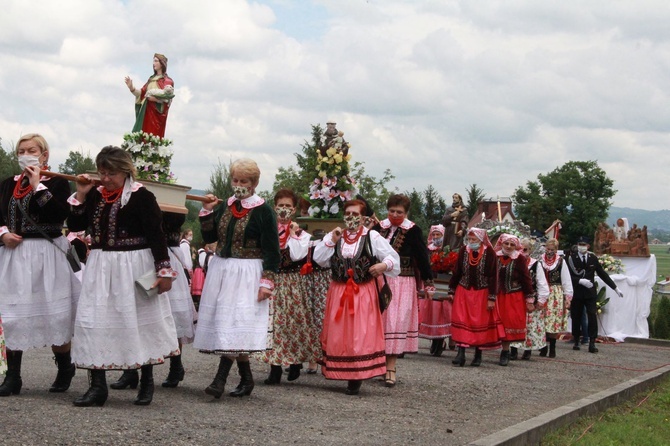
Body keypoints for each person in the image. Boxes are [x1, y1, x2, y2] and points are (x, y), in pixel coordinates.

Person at [68, 146, 179, 407]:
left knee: (138, 321)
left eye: (111, 173)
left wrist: (164, 271)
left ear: (125, 170)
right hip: (100, 264)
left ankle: (146, 381)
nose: (105, 178)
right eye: (102, 172)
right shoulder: (96, 195)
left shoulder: (142, 197)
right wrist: (81, 195)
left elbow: (156, 235)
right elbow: (75, 226)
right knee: (93, 319)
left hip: (134, 264)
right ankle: (97, 387)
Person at [0, 133, 80, 397]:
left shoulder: (58, 184)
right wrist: (3, 234)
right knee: (11, 315)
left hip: (48, 254)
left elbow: (59, 214)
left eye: (31, 150)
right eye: (21, 150)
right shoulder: (6, 184)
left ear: (44, 154)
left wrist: (37, 186)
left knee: (54, 314)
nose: (25, 154)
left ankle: (65, 366)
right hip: (15, 254)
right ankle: (13, 377)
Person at [193, 158, 280, 399]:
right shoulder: (225, 206)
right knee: (229, 325)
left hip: (248, 272)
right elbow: (210, 236)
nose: (239, 184)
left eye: (244, 181)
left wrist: (267, 282)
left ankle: (219, 381)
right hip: (222, 269)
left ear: (254, 184)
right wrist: (207, 212)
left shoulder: (263, 211)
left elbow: (273, 250)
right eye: (235, 180)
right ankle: (247, 379)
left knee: (235, 322)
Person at [313, 199, 400, 395]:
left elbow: (392, 257)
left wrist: (382, 266)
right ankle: (340, 370)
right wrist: (331, 240)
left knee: (359, 333)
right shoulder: (338, 236)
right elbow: (319, 259)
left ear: (363, 218)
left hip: (362, 292)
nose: (351, 218)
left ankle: (357, 376)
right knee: (339, 333)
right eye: (348, 214)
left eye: (355, 214)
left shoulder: (372, 236)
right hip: (339, 291)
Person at [107, 212, 197, 390]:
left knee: (172, 315)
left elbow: (177, 219)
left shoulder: (169, 198)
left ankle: (176, 366)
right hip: (138, 256)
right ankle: (131, 370)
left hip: (166, 255)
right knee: (135, 313)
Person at [373, 194, 434, 387]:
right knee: (379, 322)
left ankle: (391, 366)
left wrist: (428, 281)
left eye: (399, 212)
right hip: (379, 279)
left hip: (402, 282)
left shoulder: (413, 230)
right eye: (392, 211)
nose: (395, 215)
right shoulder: (377, 228)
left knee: (394, 323)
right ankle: (379, 365)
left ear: (406, 213)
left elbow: (422, 256)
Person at [260, 189, 319, 385]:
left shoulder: (302, 235)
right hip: (273, 281)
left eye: (288, 206)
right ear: (274, 207)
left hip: (292, 282)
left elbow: (296, 256)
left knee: (293, 324)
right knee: (273, 325)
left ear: (294, 210)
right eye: (280, 206)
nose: (284, 209)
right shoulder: (267, 230)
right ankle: (274, 368)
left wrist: (293, 234)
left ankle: (295, 362)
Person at [448, 228, 503, 367]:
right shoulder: (463, 251)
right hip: (464, 290)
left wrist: (492, 297)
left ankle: (478, 354)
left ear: (481, 240)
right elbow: (457, 271)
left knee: (479, 322)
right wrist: (452, 289)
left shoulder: (489, 252)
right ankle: (461, 353)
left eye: (474, 239)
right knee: (462, 319)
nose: (471, 242)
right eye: (470, 239)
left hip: (482, 292)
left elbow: (493, 275)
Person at [566, 236, 623, 353]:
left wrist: (615, 287)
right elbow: (566, 276)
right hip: (577, 292)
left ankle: (592, 342)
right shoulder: (571, 258)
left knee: (592, 316)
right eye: (579, 244)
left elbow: (602, 274)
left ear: (588, 246)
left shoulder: (592, 258)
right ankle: (576, 339)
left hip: (590, 293)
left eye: (583, 244)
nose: (581, 246)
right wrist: (579, 281)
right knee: (576, 317)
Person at [494, 234, 534, 366]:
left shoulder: (519, 259)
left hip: (513, 295)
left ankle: (505, 352)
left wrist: (529, 298)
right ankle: (481, 351)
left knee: (508, 323)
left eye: (512, 244)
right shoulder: (495, 256)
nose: (509, 247)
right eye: (507, 244)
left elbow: (526, 278)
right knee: (494, 322)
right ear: (502, 243)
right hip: (497, 294)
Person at [510, 238, 550, 360]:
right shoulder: (512, 262)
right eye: (519, 249)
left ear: (530, 250)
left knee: (530, 326)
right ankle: (513, 349)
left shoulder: (536, 264)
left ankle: (527, 350)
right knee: (514, 324)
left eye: (525, 249)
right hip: (514, 298)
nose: (522, 251)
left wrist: (541, 300)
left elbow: (542, 284)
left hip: (530, 299)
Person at [419, 224, 453, 356]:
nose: (435, 237)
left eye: (438, 235)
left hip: (442, 283)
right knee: (429, 311)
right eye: (433, 234)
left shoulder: (447, 250)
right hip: (429, 282)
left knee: (441, 312)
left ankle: (439, 340)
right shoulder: (428, 249)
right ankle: (433, 339)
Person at [125, 53, 175, 138]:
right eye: (153, 61)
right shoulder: (151, 79)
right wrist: (131, 88)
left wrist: (155, 100)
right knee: (143, 136)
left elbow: (167, 99)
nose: (153, 63)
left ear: (162, 63)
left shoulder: (167, 81)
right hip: (146, 111)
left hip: (156, 114)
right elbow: (141, 93)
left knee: (153, 137)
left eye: (156, 61)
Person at [539, 238, 573, 358]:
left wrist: (568, 296)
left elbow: (566, 279)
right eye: (548, 249)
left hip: (555, 293)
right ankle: (543, 346)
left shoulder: (561, 262)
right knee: (541, 320)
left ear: (556, 250)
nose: (549, 251)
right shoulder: (540, 260)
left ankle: (552, 347)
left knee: (553, 321)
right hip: (542, 292)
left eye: (552, 249)